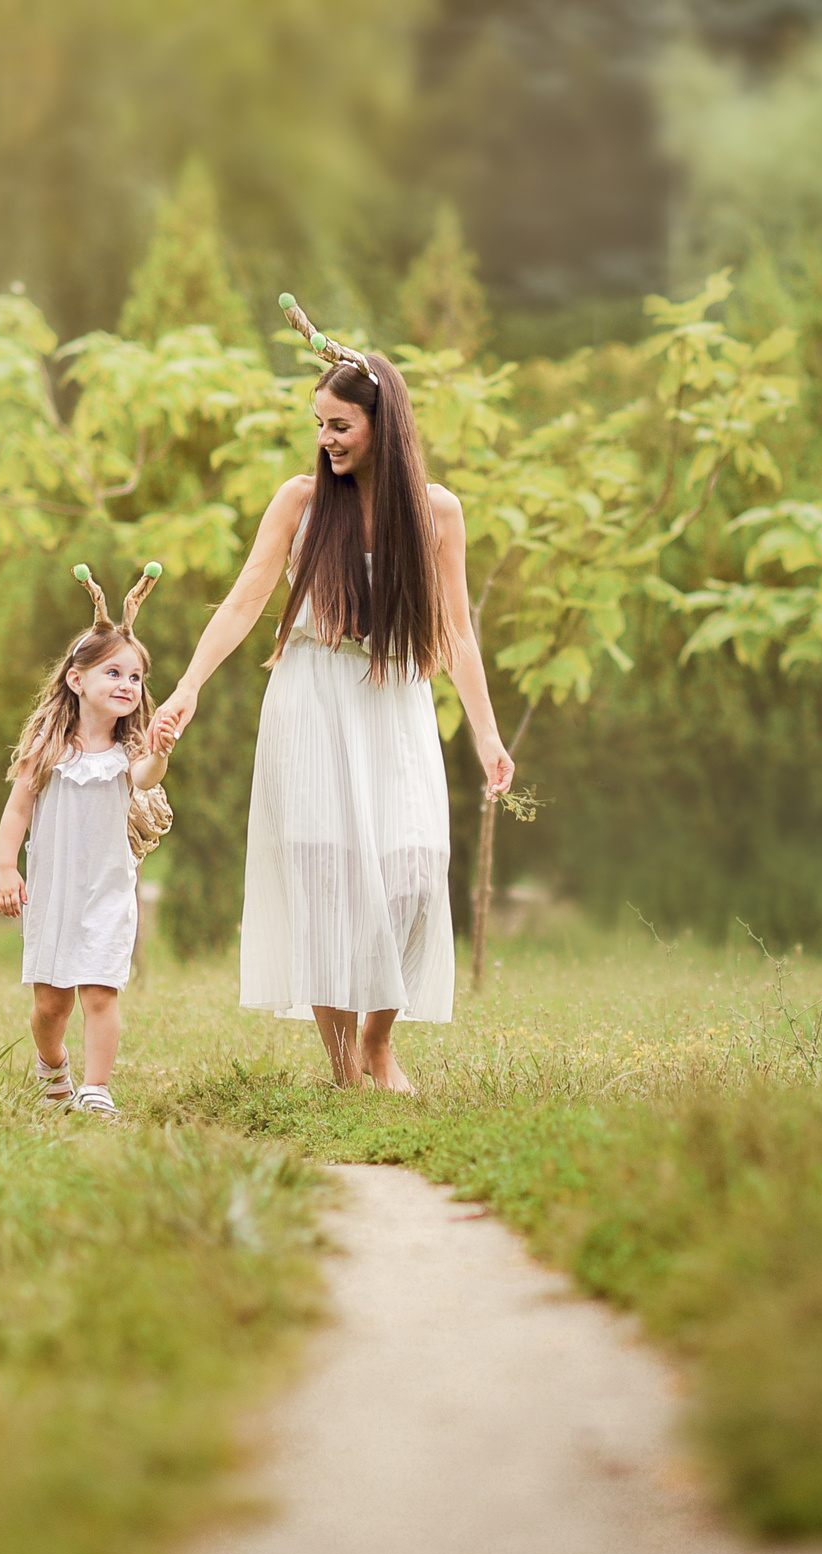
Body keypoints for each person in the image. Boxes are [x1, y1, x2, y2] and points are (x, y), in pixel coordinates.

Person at [152, 302, 514, 1094]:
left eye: (341, 424)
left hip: (394, 699)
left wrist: (487, 735)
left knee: (415, 867)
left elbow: (456, 632)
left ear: (385, 424)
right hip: (312, 695)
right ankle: (346, 1066)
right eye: (319, 424)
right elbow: (245, 600)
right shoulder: (301, 502)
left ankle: (380, 1041)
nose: (326, 439)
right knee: (322, 876)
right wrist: (188, 686)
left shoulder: (438, 512)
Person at [0, 564, 177, 1118]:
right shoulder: (48, 748)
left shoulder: (130, 751)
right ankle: (52, 1065)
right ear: (77, 681)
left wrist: (160, 750)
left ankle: (96, 1088)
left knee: (100, 992)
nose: (127, 685)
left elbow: (147, 777)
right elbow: (17, 809)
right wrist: (5, 868)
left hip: (108, 891)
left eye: (135, 677)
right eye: (113, 673)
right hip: (53, 893)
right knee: (51, 1005)